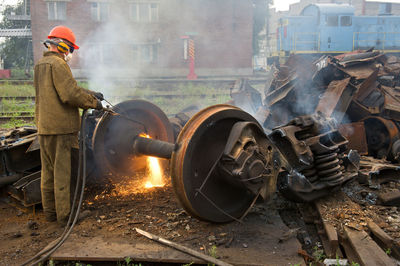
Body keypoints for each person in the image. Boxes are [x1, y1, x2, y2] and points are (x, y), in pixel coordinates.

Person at [34, 25, 103, 225]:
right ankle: (65, 216)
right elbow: (69, 94)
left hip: (45, 127)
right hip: (61, 129)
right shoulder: (58, 64)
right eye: (71, 49)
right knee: (63, 174)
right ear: (63, 46)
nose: (71, 54)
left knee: (48, 172)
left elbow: (66, 88)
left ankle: (51, 214)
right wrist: (95, 103)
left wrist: (90, 93)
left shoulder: (41, 64)